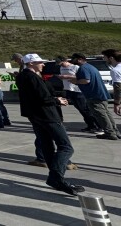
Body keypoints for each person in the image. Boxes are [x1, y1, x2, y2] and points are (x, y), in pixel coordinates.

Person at [17, 53, 83, 195]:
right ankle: (55, 177)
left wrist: (57, 97)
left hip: (36, 116)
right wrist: (57, 101)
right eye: (40, 62)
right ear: (30, 64)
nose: (43, 64)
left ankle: (56, 178)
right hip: (47, 115)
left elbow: (42, 94)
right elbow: (41, 97)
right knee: (66, 147)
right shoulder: (31, 77)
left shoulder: (25, 76)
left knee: (47, 145)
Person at [64, 53, 119, 140]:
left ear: (80, 59)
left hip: (93, 95)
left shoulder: (83, 68)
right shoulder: (90, 67)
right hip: (99, 94)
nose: (71, 61)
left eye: (73, 59)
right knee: (106, 114)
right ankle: (115, 131)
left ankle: (110, 133)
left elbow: (86, 80)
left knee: (101, 115)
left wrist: (76, 81)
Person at [57, 56, 99, 133]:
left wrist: (67, 76)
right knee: (80, 109)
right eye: (59, 64)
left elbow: (81, 77)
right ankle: (90, 125)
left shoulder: (75, 67)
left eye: (62, 63)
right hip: (69, 90)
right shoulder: (61, 68)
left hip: (77, 90)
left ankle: (96, 125)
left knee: (85, 109)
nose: (61, 65)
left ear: (65, 61)